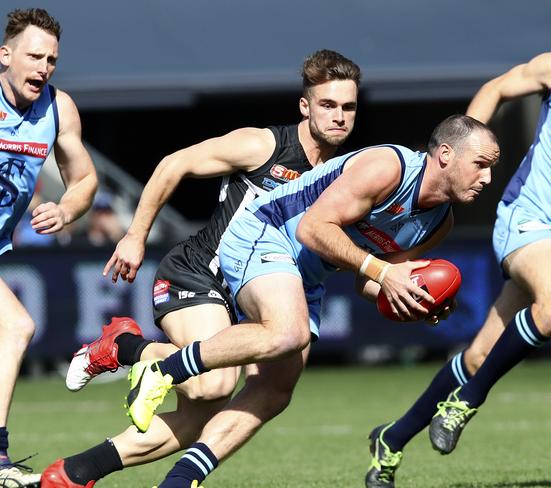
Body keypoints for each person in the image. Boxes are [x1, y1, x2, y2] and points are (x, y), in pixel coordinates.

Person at [40, 49, 361, 488]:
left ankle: (74, 473)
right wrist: (135, 236)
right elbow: (175, 164)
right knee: (212, 386)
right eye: (328, 105)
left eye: (348, 107)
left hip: (253, 300)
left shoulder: (347, 175)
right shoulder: (264, 145)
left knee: (214, 411)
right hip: (198, 275)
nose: (339, 116)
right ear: (305, 106)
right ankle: (127, 348)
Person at [123, 114, 499, 487]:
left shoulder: (439, 222)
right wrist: (385, 274)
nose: (487, 179)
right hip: (267, 231)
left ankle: (179, 480)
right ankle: (161, 370)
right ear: (446, 155)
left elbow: (368, 283)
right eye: (480, 165)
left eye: (491, 169)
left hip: (307, 272)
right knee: (288, 333)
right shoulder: (388, 167)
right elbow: (312, 228)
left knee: (275, 389)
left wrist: (412, 297)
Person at [363, 1, 551, 486]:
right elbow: (496, 88)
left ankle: (391, 440)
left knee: (478, 357)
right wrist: (463, 154)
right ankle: (468, 401)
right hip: (529, 220)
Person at [0, 8, 98, 487]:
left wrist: (65, 210)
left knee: (14, 329)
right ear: (5, 54)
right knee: (15, 327)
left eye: (52, 59)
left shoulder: (58, 109)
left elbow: (84, 179)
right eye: (34, 56)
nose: (43, 67)